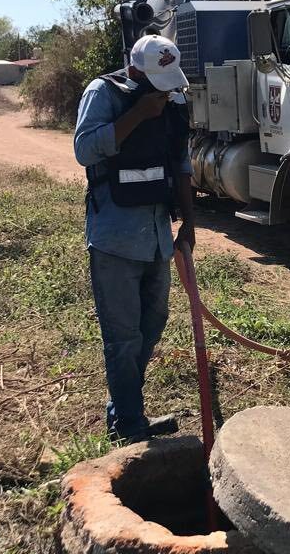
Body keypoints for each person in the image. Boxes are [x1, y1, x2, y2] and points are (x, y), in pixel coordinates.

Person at [73, 34, 196, 443]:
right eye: (156, 82)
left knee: (152, 325)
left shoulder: (171, 100)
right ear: (134, 71)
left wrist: (189, 223)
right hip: (115, 240)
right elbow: (84, 150)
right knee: (122, 339)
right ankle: (129, 425)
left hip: (157, 237)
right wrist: (138, 115)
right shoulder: (103, 93)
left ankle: (125, 412)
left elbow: (180, 162)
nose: (164, 91)